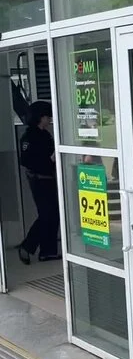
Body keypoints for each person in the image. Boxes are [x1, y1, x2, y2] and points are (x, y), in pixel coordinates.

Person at [18, 101, 61, 264]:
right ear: (40, 117)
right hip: (39, 179)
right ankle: (27, 246)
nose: (49, 119)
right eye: (47, 116)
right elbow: (27, 160)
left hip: (48, 178)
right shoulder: (30, 136)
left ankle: (48, 252)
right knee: (47, 214)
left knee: (54, 214)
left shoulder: (45, 134)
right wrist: (49, 160)